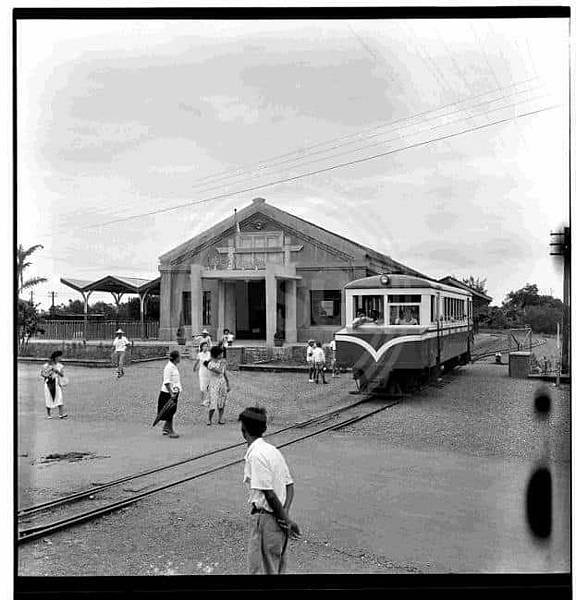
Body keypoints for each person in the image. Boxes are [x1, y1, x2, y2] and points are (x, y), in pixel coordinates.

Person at [239, 406, 301, 575]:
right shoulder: (273, 451)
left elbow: (269, 494)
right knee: (275, 567)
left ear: (243, 430)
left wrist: (286, 520)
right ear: (264, 429)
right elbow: (289, 486)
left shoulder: (256, 455)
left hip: (266, 520)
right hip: (277, 519)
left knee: (259, 570)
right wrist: (285, 514)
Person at [156, 350, 182, 439]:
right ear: (176, 358)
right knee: (169, 412)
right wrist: (171, 393)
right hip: (168, 393)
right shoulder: (169, 367)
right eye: (179, 357)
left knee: (172, 411)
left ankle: (166, 428)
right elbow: (166, 382)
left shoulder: (174, 366)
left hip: (174, 391)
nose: (180, 358)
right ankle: (171, 430)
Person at [205, 344, 231, 425]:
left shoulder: (221, 362)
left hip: (222, 382)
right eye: (220, 354)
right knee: (213, 402)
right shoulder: (210, 364)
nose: (222, 355)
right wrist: (222, 364)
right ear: (216, 355)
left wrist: (228, 384)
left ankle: (220, 418)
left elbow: (224, 373)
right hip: (214, 383)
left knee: (222, 401)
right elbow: (219, 371)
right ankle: (209, 419)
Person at [40, 351, 68, 419]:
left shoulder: (60, 366)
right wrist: (48, 374)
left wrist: (57, 371)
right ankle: (49, 414)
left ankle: (61, 414)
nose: (60, 358)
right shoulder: (47, 365)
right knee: (48, 397)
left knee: (59, 397)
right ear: (56, 357)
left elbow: (62, 375)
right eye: (59, 357)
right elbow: (42, 373)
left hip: (56, 382)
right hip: (49, 382)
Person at [193, 341, 211, 407]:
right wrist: (194, 368)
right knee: (202, 386)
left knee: (209, 386)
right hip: (202, 372)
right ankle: (202, 400)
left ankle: (208, 400)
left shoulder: (209, 354)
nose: (205, 347)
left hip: (209, 371)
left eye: (207, 346)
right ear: (202, 347)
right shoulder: (199, 354)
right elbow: (197, 362)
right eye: (204, 346)